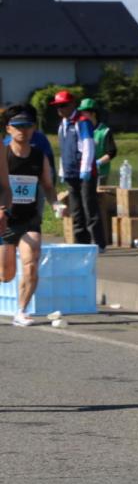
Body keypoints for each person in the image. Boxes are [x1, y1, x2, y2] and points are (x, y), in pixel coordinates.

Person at [1, 105, 54, 326]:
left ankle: (21, 311)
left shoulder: (39, 156)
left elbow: (48, 185)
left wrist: (57, 204)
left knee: (31, 263)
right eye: (18, 126)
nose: (23, 130)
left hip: (29, 219)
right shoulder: (3, 155)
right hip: (5, 220)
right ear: (8, 129)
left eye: (28, 126)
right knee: (6, 275)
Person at [53, 90, 105, 249]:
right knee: (76, 210)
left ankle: (98, 242)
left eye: (63, 105)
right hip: (70, 172)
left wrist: (86, 169)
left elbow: (88, 145)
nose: (60, 109)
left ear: (72, 105)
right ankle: (81, 242)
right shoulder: (62, 125)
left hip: (84, 172)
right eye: (57, 106)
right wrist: (63, 170)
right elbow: (63, 150)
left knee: (90, 208)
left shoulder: (82, 121)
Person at [78, 98, 118, 186]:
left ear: (93, 113)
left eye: (84, 112)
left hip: (100, 174)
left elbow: (112, 152)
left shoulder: (104, 131)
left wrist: (97, 163)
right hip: (83, 171)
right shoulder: (80, 129)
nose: (82, 115)